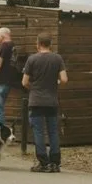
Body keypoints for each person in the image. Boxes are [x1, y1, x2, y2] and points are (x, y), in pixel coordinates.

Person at [20, 32, 68, 173]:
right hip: (52, 101)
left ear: (38, 44)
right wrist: (55, 83)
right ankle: (55, 163)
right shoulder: (57, 58)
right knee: (53, 131)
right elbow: (64, 79)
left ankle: (43, 162)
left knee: (39, 132)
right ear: (50, 44)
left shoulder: (32, 59)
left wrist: (33, 87)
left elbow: (24, 82)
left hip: (36, 100)